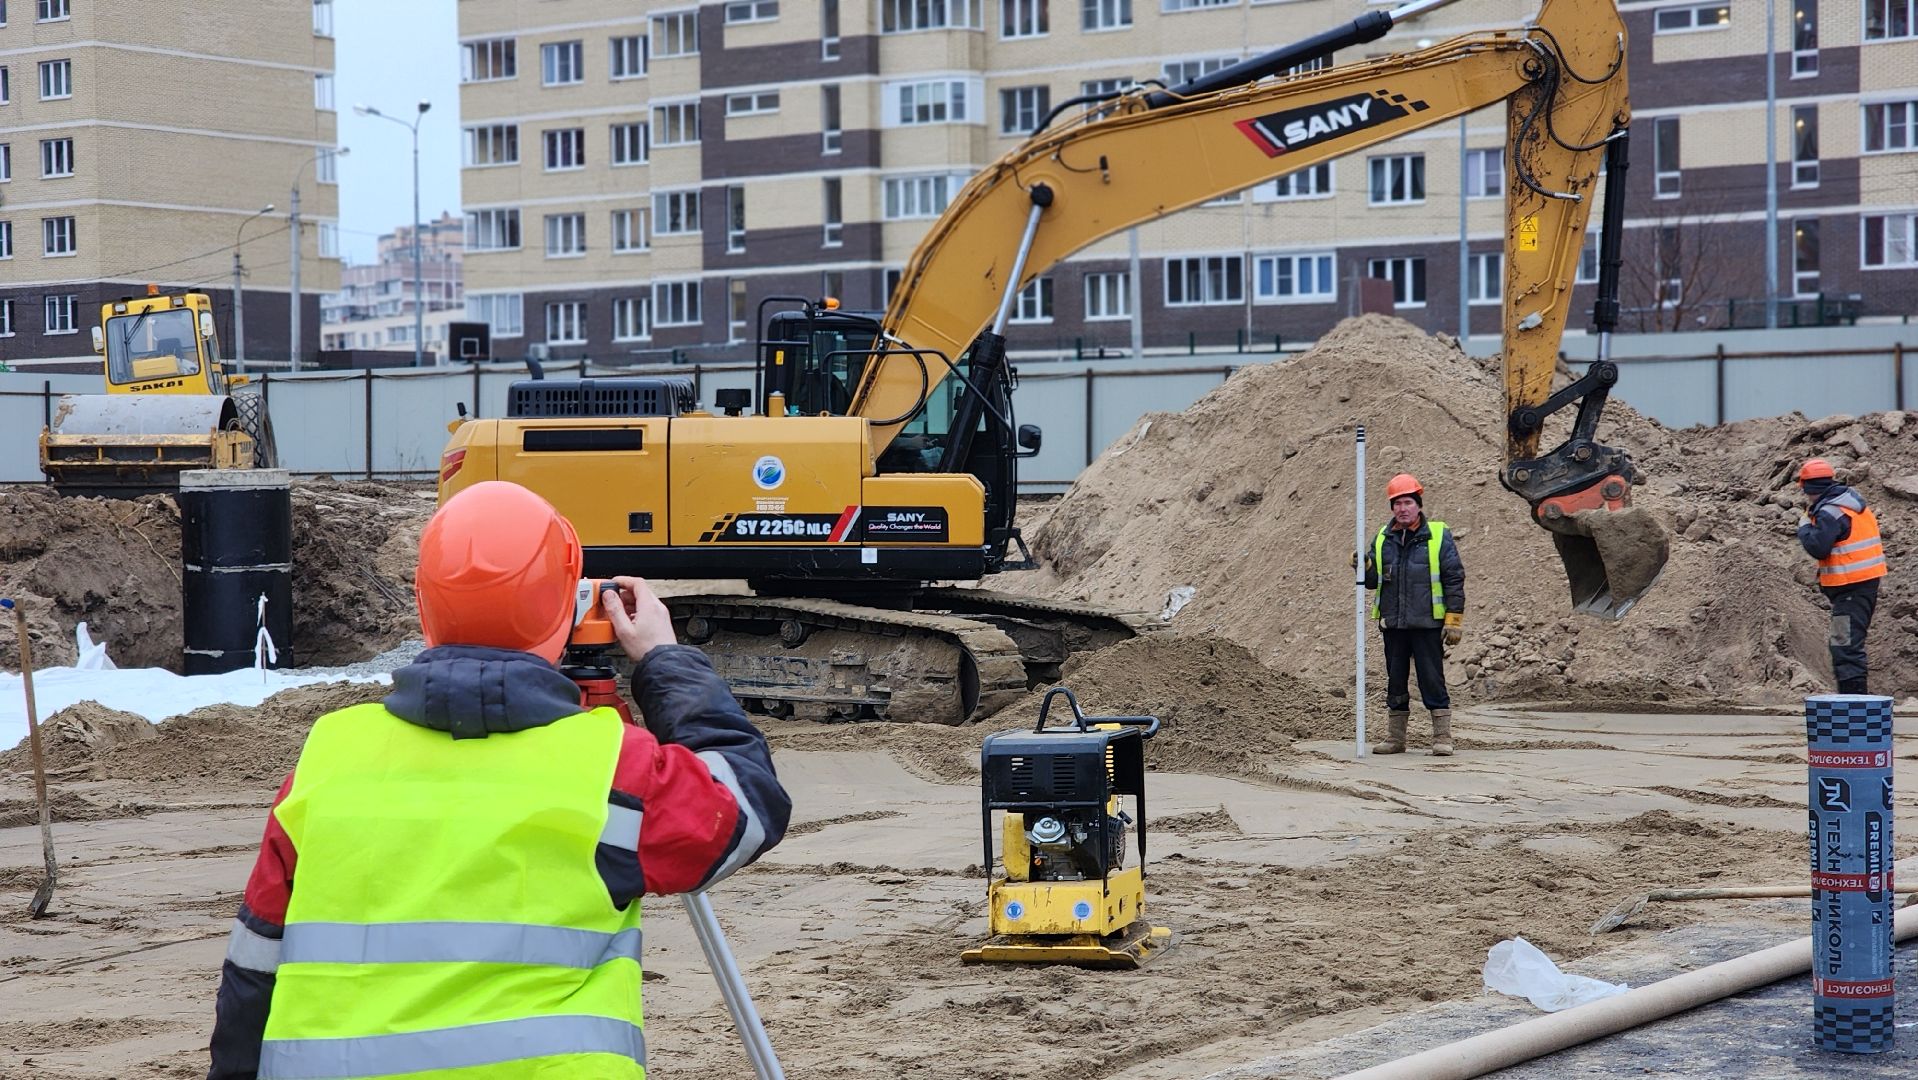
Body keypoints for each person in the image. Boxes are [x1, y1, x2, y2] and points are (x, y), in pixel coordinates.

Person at [207, 480, 790, 1079]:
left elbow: (253, 970)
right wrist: (666, 660)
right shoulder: (612, 767)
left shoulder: (329, 756)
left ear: (424, 601)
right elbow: (745, 805)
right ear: (567, 601)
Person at [1361, 473, 1466, 756]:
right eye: (1397, 504)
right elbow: (1372, 582)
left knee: (1431, 678)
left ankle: (1442, 737)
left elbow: (1454, 577)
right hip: (1394, 623)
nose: (1402, 509)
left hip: (1427, 622)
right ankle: (1396, 739)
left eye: (1407, 502)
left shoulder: (1437, 536)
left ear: (1418, 504)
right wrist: (1363, 565)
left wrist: (1454, 619)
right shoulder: (1383, 539)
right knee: (1395, 680)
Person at [1795, 458, 1887, 695]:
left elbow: (1818, 547)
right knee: (1845, 645)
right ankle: (1854, 704)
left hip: (1851, 590)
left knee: (1845, 647)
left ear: (1807, 487)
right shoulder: (1846, 501)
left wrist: (1805, 526)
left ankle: (1854, 706)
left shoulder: (1830, 512)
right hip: (1857, 587)